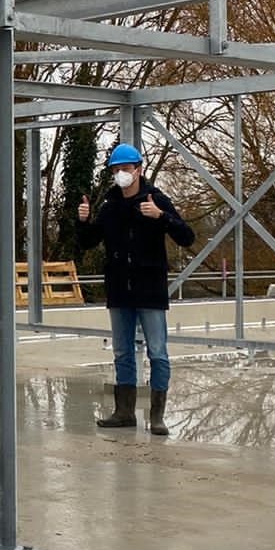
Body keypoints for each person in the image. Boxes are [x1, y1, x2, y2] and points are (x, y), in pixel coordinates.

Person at [76, 142, 196, 436]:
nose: (120, 174)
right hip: (119, 290)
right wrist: (82, 222)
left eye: (125, 169)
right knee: (122, 353)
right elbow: (89, 242)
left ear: (139, 169)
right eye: (116, 170)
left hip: (150, 289)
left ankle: (157, 416)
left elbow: (187, 237)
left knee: (158, 352)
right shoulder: (110, 205)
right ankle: (124, 411)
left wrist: (161, 217)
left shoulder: (156, 200)